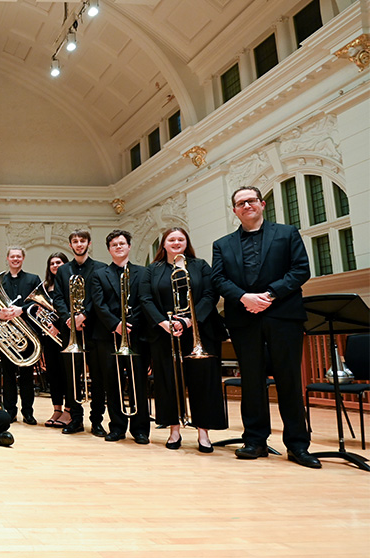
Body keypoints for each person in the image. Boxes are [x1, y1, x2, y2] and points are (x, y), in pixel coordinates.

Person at [211, 185, 318, 468]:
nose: (246, 206)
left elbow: (300, 270)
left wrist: (269, 295)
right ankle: (255, 440)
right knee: (252, 381)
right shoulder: (222, 244)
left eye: (250, 201)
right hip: (244, 317)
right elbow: (218, 280)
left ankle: (297, 445)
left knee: (289, 381)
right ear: (234, 210)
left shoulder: (287, 233)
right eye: (240, 203)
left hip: (283, 315)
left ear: (262, 204)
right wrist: (245, 297)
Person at [140, 227, 227, 453]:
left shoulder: (200, 266)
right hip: (164, 333)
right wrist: (164, 323)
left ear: (186, 243)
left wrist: (189, 321)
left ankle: (203, 434)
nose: (176, 242)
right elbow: (145, 298)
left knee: (203, 382)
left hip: (199, 330)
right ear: (164, 244)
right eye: (171, 239)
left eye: (181, 239)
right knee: (168, 381)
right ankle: (174, 430)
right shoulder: (153, 270)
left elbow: (210, 295)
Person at [89, 229, 151, 444]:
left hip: (137, 335)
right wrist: (115, 324)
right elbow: (98, 303)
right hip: (108, 336)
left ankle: (141, 429)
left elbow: (146, 301)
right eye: (114, 244)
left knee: (138, 383)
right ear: (109, 249)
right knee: (113, 383)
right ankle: (116, 427)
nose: (118, 247)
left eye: (122, 243)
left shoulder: (144, 273)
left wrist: (131, 325)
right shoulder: (99, 274)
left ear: (129, 247)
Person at [52, 229, 108, 437]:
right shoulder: (64, 270)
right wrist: (68, 317)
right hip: (70, 329)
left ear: (89, 244)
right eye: (75, 241)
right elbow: (58, 298)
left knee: (98, 376)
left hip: (94, 329)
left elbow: (98, 296)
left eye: (82, 241)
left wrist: (83, 315)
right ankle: (75, 419)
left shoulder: (100, 268)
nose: (79, 244)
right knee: (72, 377)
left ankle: (97, 421)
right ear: (70, 246)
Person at [0, 246, 42, 425]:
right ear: (7, 259)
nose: (15, 259)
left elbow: (38, 305)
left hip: (27, 335)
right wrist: (0, 314)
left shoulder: (33, 279)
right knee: (7, 376)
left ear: (22, 259)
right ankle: (10, 411)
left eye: (18, 257)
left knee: (26, 376)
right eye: (12, 256)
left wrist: (21, 310)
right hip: (6, 335)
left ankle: (28, 412)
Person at [42, 252, 71, 428]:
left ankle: (68, 410)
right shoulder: (46, 287)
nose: (55, 265)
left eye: (59, 262)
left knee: (66, 373)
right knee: (53, 374)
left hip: (65, 334)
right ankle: (57, 409)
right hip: (49, 336)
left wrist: (58, 327)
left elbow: (68, 310)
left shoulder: (69, 284)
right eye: (52, 263)